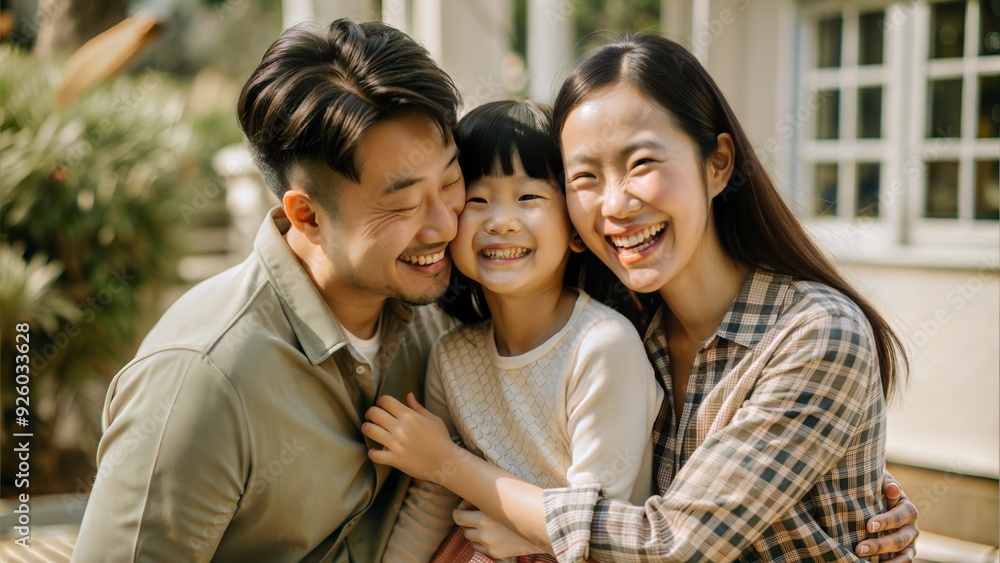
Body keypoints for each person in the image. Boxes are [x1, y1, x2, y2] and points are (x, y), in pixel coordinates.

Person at [362, 34, 921, 562]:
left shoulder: (816, 331)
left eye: (642, 164)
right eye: (585, 177)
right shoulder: (636, 319)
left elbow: (676, 544)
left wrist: (488, 493)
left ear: (717, 163)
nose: (616, 204)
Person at [72, 19, 465, 561]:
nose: (444, 224)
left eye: (450, 181)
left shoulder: (442, 320)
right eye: (401, 205)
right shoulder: (201, 379)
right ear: (307, 217)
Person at [380, 100, 662, 562]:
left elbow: (596, 524)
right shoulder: (452, 356)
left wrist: (532, 534)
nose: (501, 221)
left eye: (528, 198)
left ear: (575, 229)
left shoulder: (601, 346)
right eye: (477, 200)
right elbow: (431, 500)